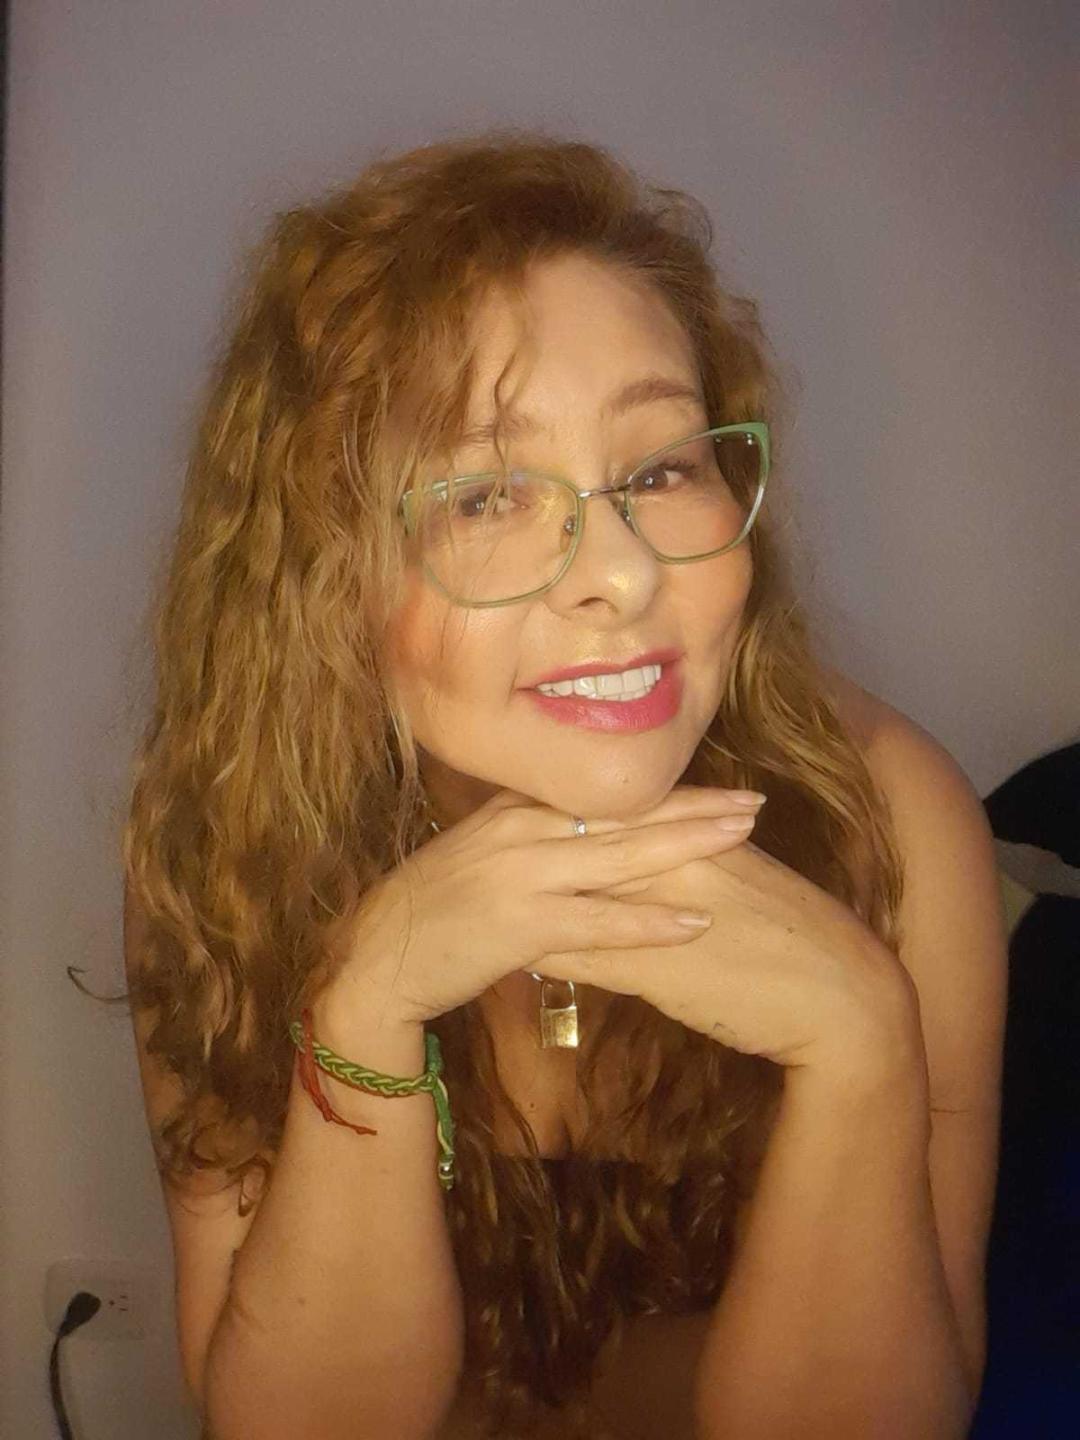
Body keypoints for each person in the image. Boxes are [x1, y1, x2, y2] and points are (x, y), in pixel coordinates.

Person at [116, 130, 1006, 1439]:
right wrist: (363, 1014)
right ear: (320, 573)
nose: (625, 575)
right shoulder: (227, 839)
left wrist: (861, 1045)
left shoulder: (894, 816)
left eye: (660, 469)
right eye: (486, 496)